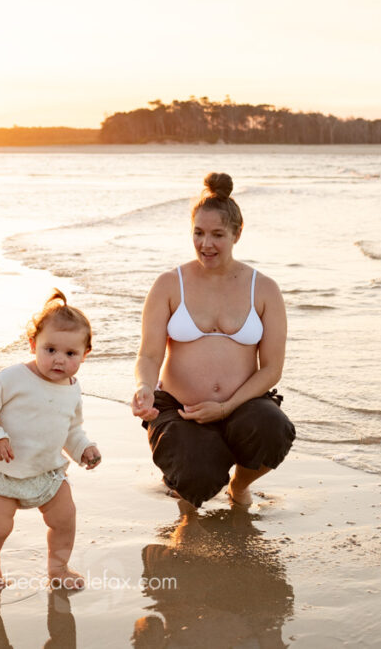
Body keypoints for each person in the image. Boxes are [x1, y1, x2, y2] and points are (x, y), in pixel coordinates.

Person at [131, 172, 295, 508]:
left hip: (243, 405)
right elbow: (149, 355)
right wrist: (144, 387)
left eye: (217, 234)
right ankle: (186, 490)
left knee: (273, 429)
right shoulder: (168, 284)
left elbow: (271, 369)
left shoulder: (264, 289)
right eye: (199, 233)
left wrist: (225, 407)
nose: (206, 244)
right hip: (180, 408)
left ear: (237, 233)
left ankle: (239, 486)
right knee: (196, 472)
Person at [0, 290, 102, 590]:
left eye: (70, 354)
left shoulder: (72, 388)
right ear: (33, 345)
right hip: (3, 469)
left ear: (85, 354)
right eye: (50, 349)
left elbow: (71, 429)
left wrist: (83, 448)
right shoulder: (12, 378)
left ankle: (58, 569)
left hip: (47, 471)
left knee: (65, 519)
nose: (59, 360)